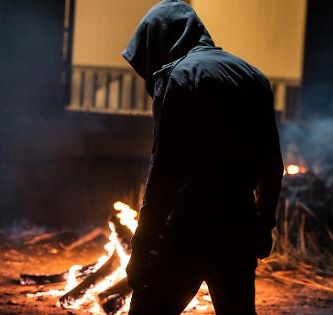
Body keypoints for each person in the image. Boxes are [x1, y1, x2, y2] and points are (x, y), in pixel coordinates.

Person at [122, 1, 284, 314]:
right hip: (238, 226)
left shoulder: (178, 77)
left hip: (186, 228)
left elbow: (164, 172)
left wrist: (142, 249)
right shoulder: (253, 76)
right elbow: (271, 164)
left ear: (162, 40)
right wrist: (264, 223)